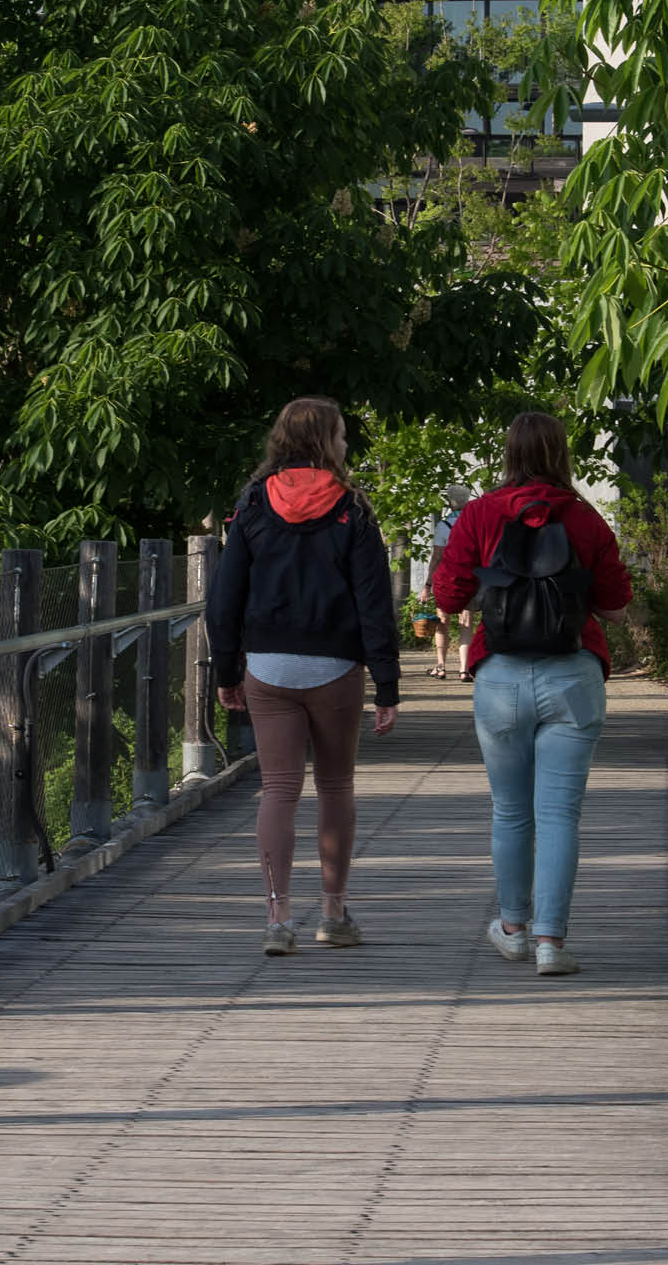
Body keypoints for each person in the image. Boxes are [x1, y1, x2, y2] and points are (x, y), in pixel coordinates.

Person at [432, 412, 632, 976]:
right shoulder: (586, 518)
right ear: (561, 454)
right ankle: (551, 943)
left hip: (499, 677)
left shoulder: (478, 514)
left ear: (508, 454)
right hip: (572, 676)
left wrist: (493, 595)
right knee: (561, 815)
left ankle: (513, 928)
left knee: (510, 812)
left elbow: (448, 594)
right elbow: (616, 606)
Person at [206, 396, 400, 956]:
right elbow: (373, 603)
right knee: (335, 786)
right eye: (341, 436)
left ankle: (277, 920)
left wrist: (226, 669)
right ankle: (333, 914)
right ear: (323, 442)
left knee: (279, 790)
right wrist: (386, 684)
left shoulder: (251, 505)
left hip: (267, 666)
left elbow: (225, 598)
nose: (346, 445)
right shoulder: (353, 509)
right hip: (336, 667)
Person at [421, 483, 475, 681]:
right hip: (469, 578)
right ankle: (464, 669)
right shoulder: (473, 523)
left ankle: (441, 667)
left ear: (450, 503)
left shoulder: (443, 526)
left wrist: (427, 585)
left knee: (442, 622)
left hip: (446, 579)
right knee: (466, 624)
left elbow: (436, 557)